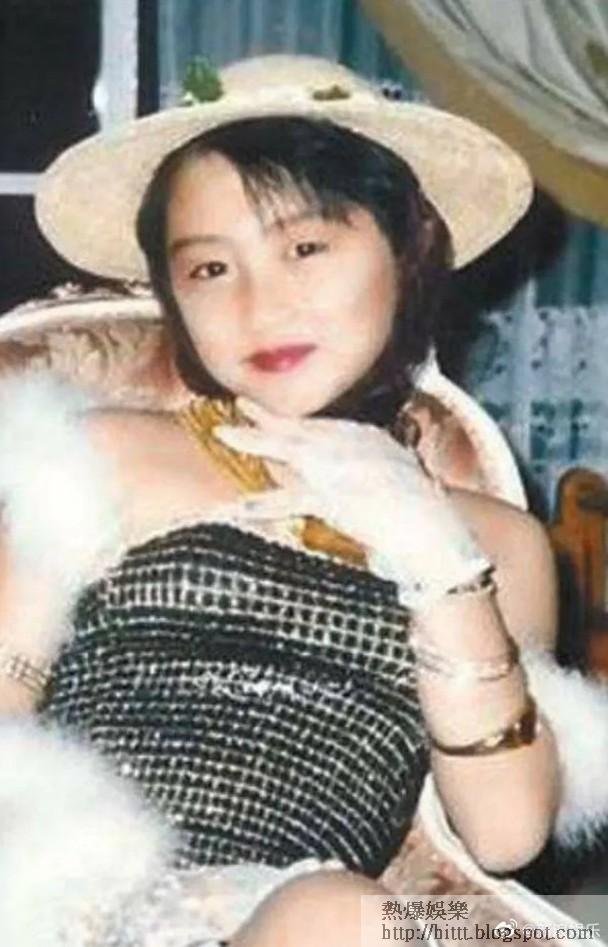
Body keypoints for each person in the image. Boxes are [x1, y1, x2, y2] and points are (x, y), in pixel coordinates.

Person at [0, 53, 607, 947]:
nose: (261, 304)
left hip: (334, 921)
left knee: (530, 932)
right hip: (80, 909)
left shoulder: (495, 542)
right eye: (211, 268)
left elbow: (506, 835)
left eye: (305, 247)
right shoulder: (97, 454)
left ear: (408, 249)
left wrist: (433, 555)